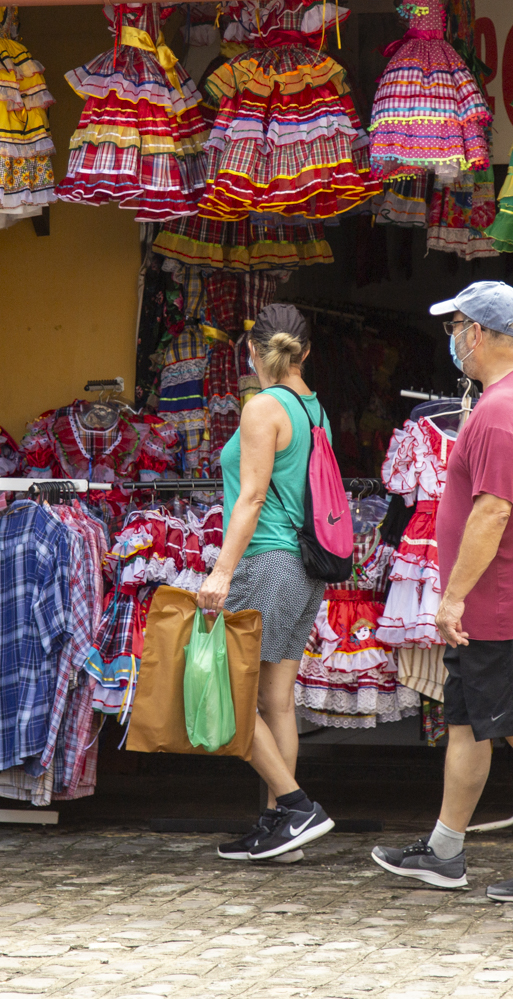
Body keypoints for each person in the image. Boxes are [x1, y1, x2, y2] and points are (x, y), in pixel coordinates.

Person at [371, 281, 513, 903]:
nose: (451, 340)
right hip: (510, 595)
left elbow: (491, 512)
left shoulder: (500, 410)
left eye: (455, 327)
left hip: (503, 602)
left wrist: (453, 598)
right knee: (466, 725)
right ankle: (444, 852)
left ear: (479, 333)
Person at [197, 303, 336, 863]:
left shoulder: (262, 409)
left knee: (231, 696)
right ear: (306, 353)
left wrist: (222, 571)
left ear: (252, 352)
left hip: (266, 560)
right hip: (303, 566)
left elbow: (252, 498)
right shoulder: (313, 407)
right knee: (277, 699)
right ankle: (284, 831)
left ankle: (298, 807)